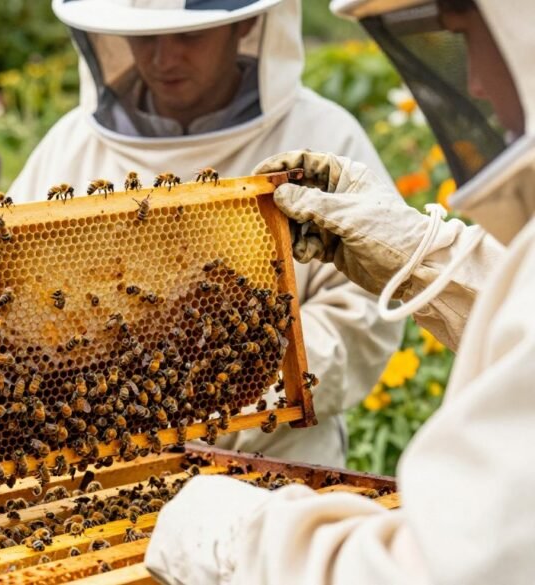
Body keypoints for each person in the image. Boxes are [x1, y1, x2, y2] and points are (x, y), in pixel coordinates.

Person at [146, 0, 535, 582]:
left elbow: (442, 570)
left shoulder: (323, 123)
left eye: (470, 35)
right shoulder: (64, 142)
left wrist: (229, 536)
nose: (473, 81)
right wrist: (421, 253)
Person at [8, 0, 402, 467]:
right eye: (146, 37)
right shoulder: (68, 150)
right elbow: (11, 308)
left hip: (274, 471)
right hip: (102, 473)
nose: (163, 58)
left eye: (189, 36)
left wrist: (227, 384)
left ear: (246, 22)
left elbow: (364, 314)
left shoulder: (325, 139)